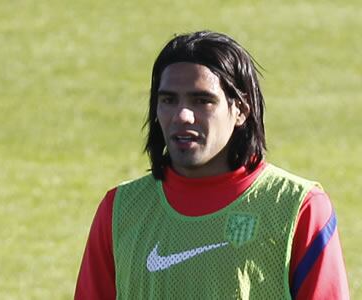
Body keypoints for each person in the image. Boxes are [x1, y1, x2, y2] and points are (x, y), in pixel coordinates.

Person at [75, 31, 349, 299]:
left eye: (202, 101)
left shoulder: (298, 209)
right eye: (169, 100)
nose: (182, 115)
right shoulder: (120, 210)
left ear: (240, 110)